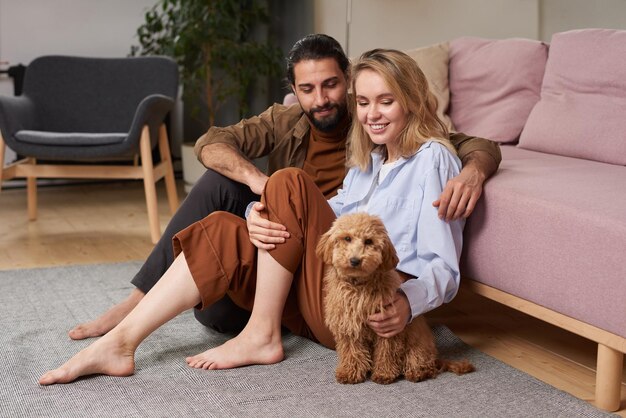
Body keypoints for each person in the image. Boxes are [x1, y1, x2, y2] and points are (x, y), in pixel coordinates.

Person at [39, 48, 466, 384]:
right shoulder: (368, 160)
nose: (372, 114)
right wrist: (257, 214)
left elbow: (444, 267)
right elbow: (334, 218)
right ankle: (120, 343)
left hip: (374, 315)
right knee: (226, 227)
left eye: (386, 102)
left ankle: (261, 335)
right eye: (365, 102)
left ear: (410, 101)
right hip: (331, 300)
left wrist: (408, 305)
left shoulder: (432, 161)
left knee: (288, 181)